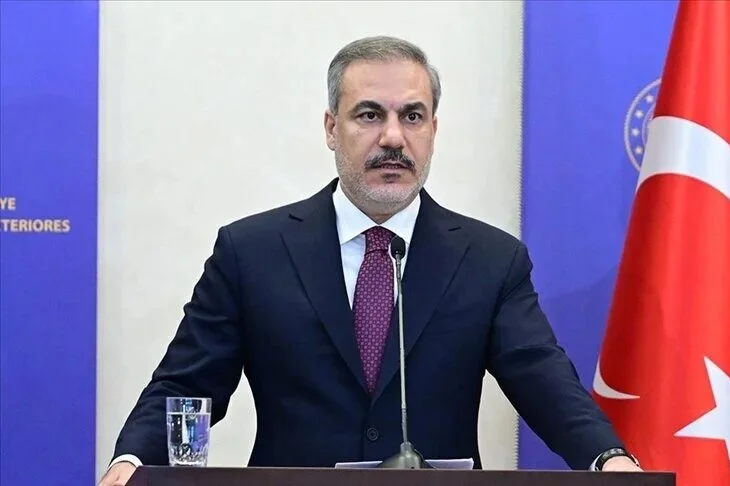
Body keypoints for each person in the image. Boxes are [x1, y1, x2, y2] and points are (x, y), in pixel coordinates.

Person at [98, 35, 642, 486]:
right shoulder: (252, 252)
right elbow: (186, 387)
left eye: (413, 116)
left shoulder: (489, 260)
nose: (393, 137)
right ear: (331, 128)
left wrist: (608, 459)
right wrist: (133, 461)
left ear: (433, 131)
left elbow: (544, 381)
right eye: (369, 115)